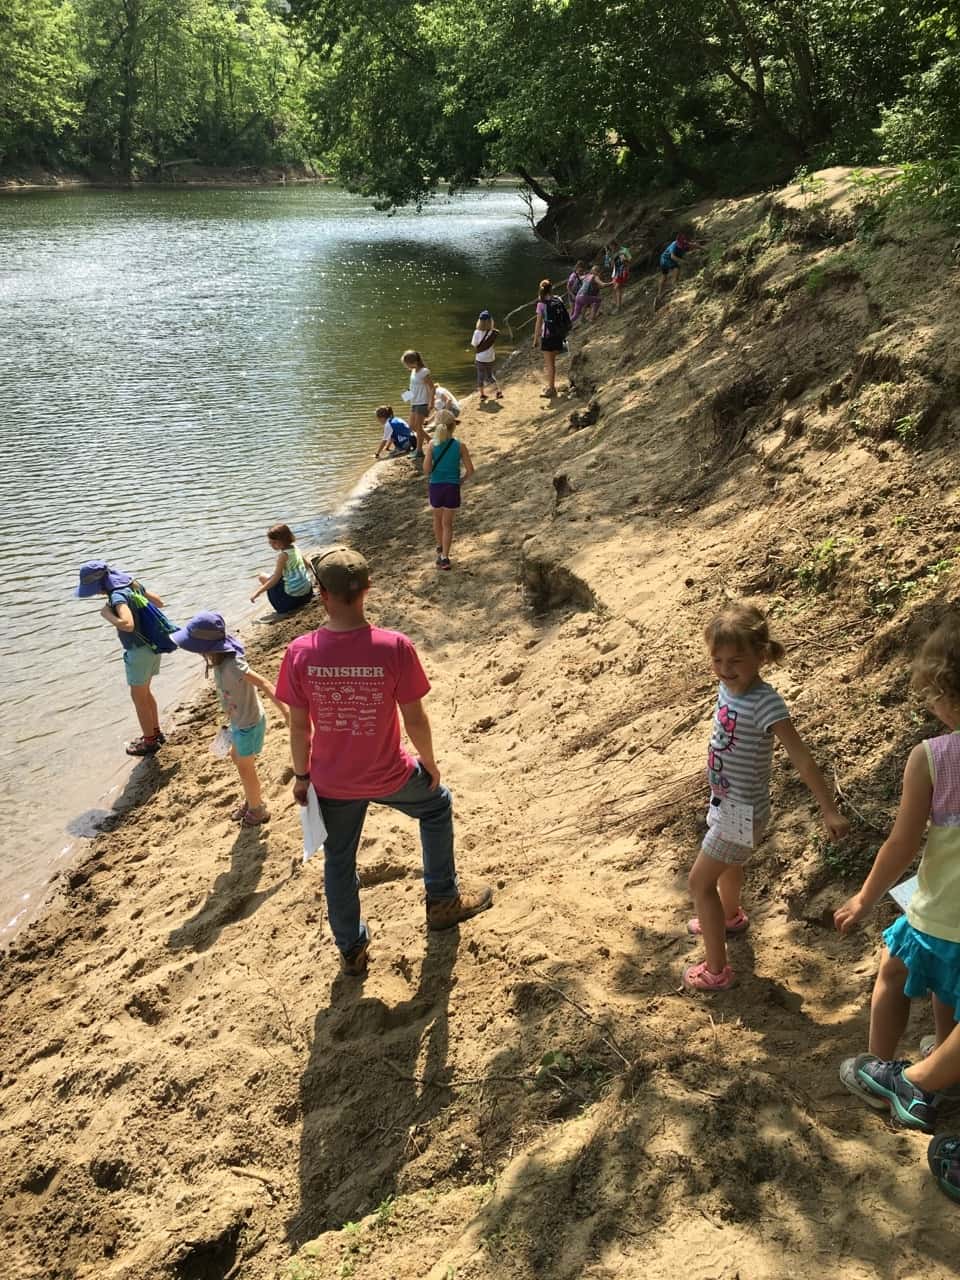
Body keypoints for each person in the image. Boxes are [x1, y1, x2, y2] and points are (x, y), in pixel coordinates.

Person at [276, 546, 493, 975]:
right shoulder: (394, 647)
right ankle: (442, 901)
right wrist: (429, 763)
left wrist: (302, 777)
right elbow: (415, 717)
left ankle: (351, 949)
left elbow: (299, 729)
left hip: (332, 782)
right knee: (436, 804)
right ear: (367, 590)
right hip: (390, 774)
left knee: (339, 860)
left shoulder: (300, 652)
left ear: (321, 594)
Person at [835, 616, 960, 1127]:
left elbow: (903, 842)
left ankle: (880, 1070)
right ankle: (944, 1075)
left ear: (946, 693)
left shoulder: (932, 757)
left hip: (937, 913)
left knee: (893, 967)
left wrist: (865, 897)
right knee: (950, 991)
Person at [684, 602, 849, 991]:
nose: (725, 668)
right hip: (726, 800)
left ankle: (716, 970)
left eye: (736, 660)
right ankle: (729, 916)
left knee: (698, 884)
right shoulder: (728, 686)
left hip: (740, 813)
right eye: (718, 659)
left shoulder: (766, 702)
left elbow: (803, 759)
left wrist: (829, 809)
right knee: (729, 865)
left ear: (761, 656)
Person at [170, 611, 288, 827]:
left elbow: (265, 684)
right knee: (237, 758)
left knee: (245, 767)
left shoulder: (233, 665)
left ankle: (257, 809)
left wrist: (286, 713)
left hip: (249, 724)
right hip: (238, 722)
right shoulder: (218, 661)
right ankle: (253, 799)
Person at [74, 559, 176, 757]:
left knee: (138, 698)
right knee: (146, 693)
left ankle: (149, 743)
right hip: (152, 647)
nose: (95, 593)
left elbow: (127, 624)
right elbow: (159, 602)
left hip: (138, 652)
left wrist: (107, 615)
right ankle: (155, 733)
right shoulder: (131, 585)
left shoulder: (117, 596)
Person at [424, 411, 474, 571]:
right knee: (448, 524)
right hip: (452, 487)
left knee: (437, 520)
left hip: (436, 486)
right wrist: (460, 481)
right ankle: (445, 557)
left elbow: (426, 470)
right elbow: (470, 470)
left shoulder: (432, 445)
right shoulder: (460, 446)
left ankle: (439, 547)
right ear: (454, 427)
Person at [251, 523, 314, 615]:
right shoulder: (296, 548)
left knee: (262, 577)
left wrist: (258, 592)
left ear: (283, 541)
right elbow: (307, 565)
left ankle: (280, 600)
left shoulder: (283, 556)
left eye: (274, 542)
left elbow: (275, 579)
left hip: (289, 603)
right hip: (307, 595)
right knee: (277, 576)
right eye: (270, 542)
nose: (271, 545)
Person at [531, 279, 571, 398]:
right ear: (551, 289)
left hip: (548, 336)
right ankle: (551, 386)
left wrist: (535, 340)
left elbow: (538, 324)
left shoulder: (541, 304)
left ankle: (551, 389)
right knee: (552, 363)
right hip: (559, 334)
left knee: (550, 364)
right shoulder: (558, 299)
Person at [401, 350, 436, 456]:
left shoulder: (424, 372)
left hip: (422, 402)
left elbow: (432, 387)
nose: (406, 366)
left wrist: (431, 402)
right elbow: (413, 386)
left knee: (419, 427)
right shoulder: (413, 371)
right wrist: (406, 396)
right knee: (412, 426)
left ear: (413, 362)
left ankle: (419, 451)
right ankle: (431, 440)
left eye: (406, 363)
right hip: (414, 402)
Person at [655, 232, 700, 310]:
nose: (681, 245)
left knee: (664, 276)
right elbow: (673, 257)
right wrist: (683, 261)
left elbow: (693, 245)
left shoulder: (684, 243)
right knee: (676, 268)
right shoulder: (674, 245)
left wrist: (704, 248)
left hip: (663, 258)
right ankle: (674, 284)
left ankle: (659, 295)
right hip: (666, 259)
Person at [470, 309, 503, 402]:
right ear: (490, 321)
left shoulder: (477, 332)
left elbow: (474, 344)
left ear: (479, 322)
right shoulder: (493, 332)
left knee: (480, 376)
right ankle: (498, 391)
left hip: (480, 358)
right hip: (490, 358)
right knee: (490, 375)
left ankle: (482, 395)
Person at [608, 242, 632, 312]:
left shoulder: (623, 251)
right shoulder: (612, 253)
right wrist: (611, 258)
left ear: (615, 245)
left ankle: (618, 307)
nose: (611, 248)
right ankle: (617, 304)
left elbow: (628, 260)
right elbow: (611, 265)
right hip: (615, 272)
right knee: (616, 288)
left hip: (621, 272)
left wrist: (626, 270)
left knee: (618, 288)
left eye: (612, 247)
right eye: (610, 247)